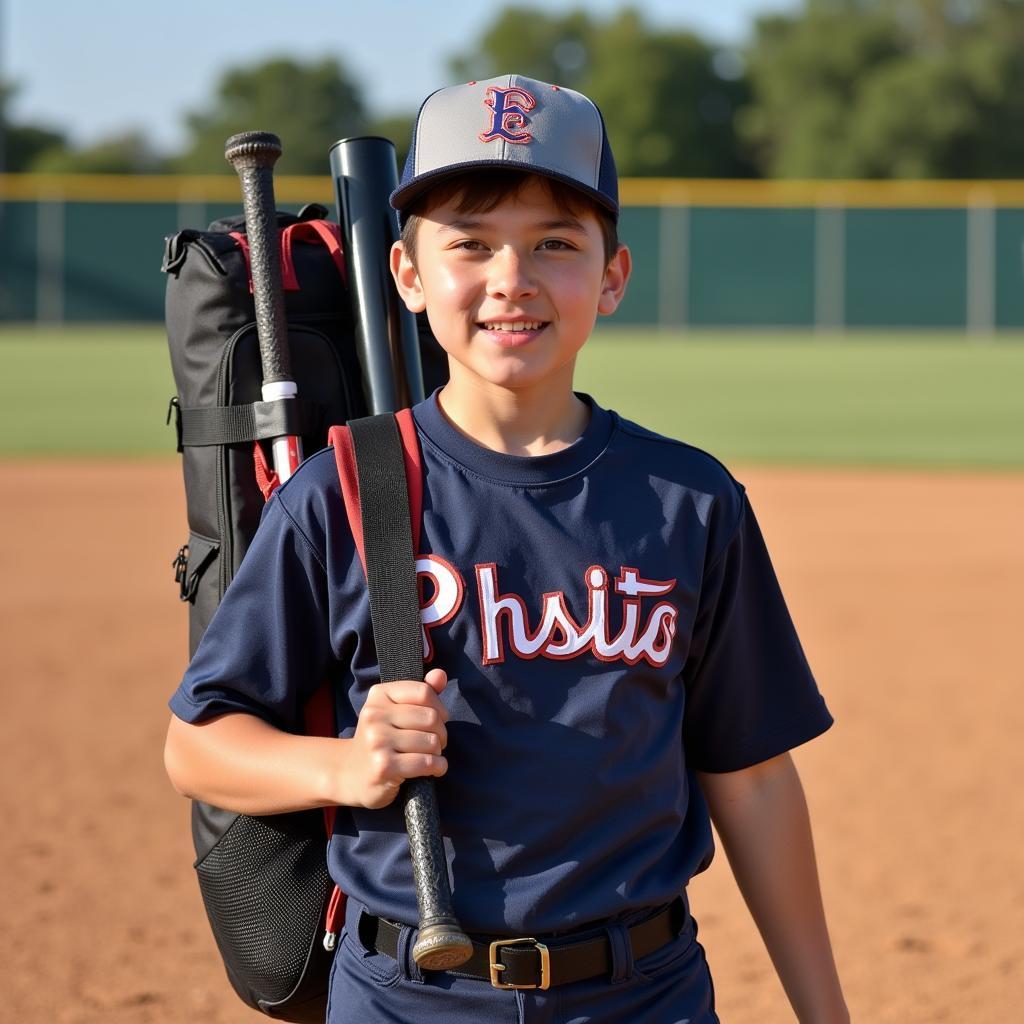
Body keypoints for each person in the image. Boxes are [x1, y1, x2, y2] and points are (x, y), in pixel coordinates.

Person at [165, 74, 849, 1023]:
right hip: (411, 993)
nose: (511, 280)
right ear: (408, 275)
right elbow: (199, 744)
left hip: (643, 994)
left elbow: (754, 773)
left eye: (555, 245)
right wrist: (345, 766)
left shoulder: (689, 501)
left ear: (612, 276)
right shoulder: (348, 492)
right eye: (470, 245)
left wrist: (826, 1013)